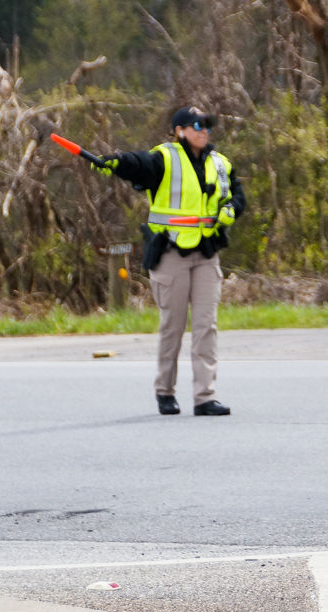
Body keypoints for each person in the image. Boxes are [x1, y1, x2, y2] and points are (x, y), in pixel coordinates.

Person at [93, 106, 246, 416]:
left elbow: (236, 194)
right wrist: (119, 162)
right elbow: (139, 164)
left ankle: (205, 397)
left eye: (206, 125)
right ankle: (165, 391)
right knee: (173, 327)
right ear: (180, 131)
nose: (204, 130)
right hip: (171, 253)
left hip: (206, 253)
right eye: (197, 125)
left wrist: (231, 209)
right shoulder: (165, 158)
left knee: (206, 326)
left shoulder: (220, 163)